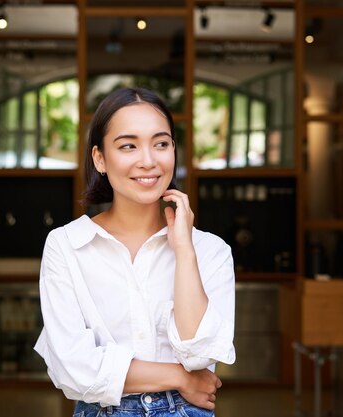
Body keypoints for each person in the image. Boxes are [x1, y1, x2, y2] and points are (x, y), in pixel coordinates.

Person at [34, 87, 235, 417]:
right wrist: (178, 377)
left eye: (161, 144)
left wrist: (184, 250)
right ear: (100, 158)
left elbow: (200, 353)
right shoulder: (67, 245)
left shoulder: (210, 250)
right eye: (129, 145)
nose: (148, 160)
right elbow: (73, 368)